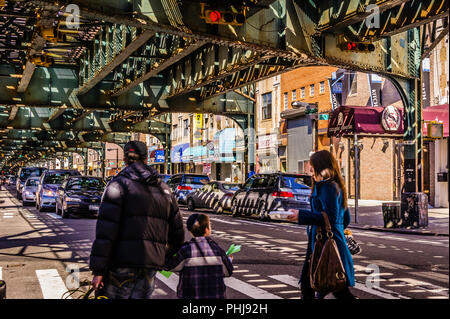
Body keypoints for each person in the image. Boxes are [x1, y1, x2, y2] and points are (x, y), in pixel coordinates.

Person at [89, 141, 185, 299]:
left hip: (121, 263)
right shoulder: (164, 189)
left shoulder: (117, 185)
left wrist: (98, 271)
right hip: (150, 265)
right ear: (146, 159)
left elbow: (106, 232)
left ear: (125, 160)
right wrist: (162, 256)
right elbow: (178, 233)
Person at [287, 150, 355, 299]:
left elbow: (330, 217)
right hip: (321, 241)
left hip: (326, 242)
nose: (309, 169)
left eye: (312, 165)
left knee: (318, 284)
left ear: (320, 166)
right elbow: (346, 219)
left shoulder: (328, 187)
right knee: (328, 285)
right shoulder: (332, 186)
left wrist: (301, 215)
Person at [165, 213, 233, 299]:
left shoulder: (186, 250)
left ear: (190, 231)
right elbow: (228, 271)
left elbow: (170, 266)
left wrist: (168, 250)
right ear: (207, 230)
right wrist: (229, 260)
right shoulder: (217, 250)